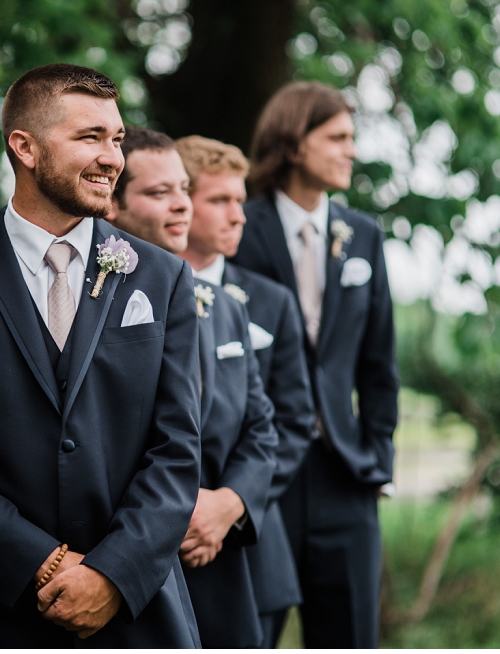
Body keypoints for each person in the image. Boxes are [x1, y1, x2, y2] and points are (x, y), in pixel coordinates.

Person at [0, 64, 203, 647]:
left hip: (136, 614)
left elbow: (177, 451)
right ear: (25, 147)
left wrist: (111, 574)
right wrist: (44, 562)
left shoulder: (162, 280)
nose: (113, 157)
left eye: (115, 139)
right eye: (90, 137)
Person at [231, 81, 399, 648]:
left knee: (350, 637)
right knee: (251, 635)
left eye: (353, 138)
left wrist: (380, 457)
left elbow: (379, 362)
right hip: (261, 474)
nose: (351, 150)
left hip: (346, 471)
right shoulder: (238, 230)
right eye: (338, 138)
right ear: (294, 143)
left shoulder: (365, 237)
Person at [104, 127, 278, 648]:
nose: (181, 206)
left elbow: (261, 429)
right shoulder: (93, 301)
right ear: (111, 202)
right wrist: (171, 514)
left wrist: (227, 504)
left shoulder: (225, 305)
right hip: (129, 564)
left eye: (185, 190)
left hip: (218, 561)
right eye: (161, 193)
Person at [173, 135, 316, 648]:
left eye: (240, 200)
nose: (239, 215)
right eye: (220, 201)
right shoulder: (128, 289)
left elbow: (295, 422)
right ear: (181, 201)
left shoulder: (270, 302)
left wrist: (230, 505)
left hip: (253, 555)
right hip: (161, 546)